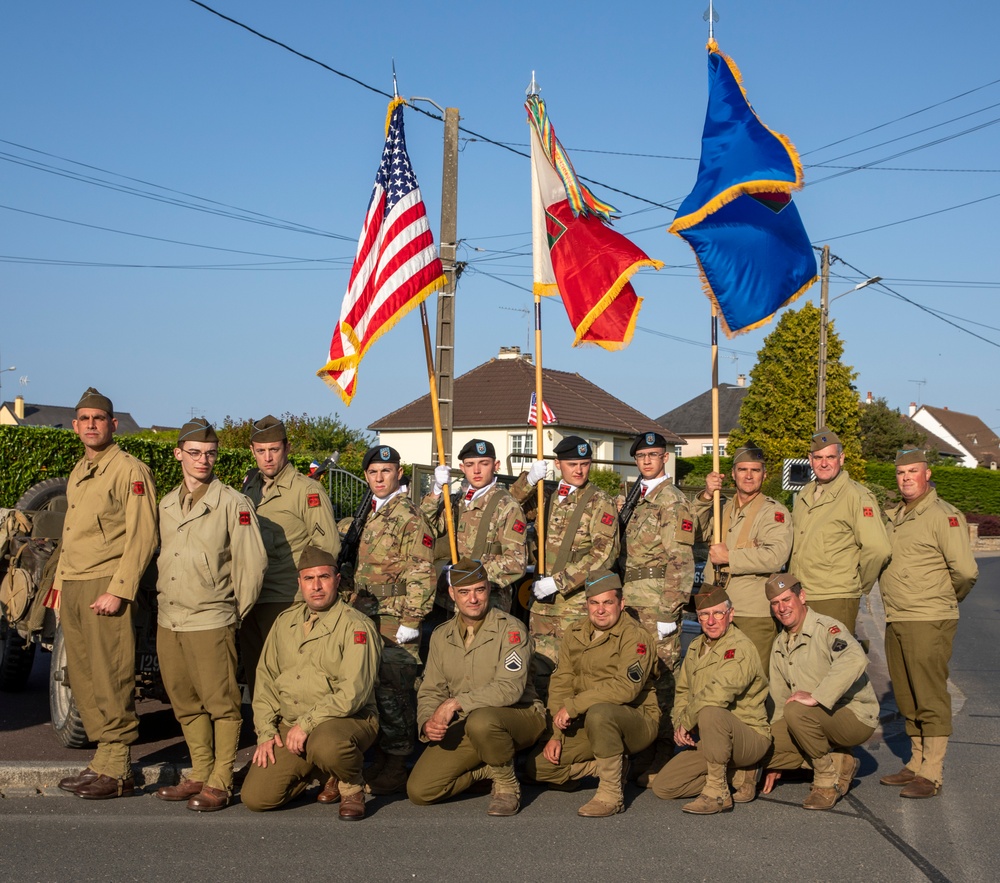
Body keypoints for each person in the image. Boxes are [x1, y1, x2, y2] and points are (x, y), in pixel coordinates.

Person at [153, 418, 267, 812]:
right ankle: (200, 770)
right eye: (196, 453)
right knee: (183, 701)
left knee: (221, 703)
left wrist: (233, 613)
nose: (203, 460)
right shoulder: (166, 504)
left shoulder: (232, 503)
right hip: (170, 618)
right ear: (178, 454)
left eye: (210, 454)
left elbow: (252, 566)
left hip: (211, 619)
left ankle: (221, 778)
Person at [56, 387, 158, 800]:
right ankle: (102, 759)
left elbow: (143, 535)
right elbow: (70, 534)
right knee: (83, 676)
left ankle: (118, 768)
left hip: (105, 583)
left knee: (111, 675)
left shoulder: (129, 470)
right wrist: (60, 586)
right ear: (76, 425)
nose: (91, 425)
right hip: (76, 584)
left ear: (113, 424)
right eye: (84, 418)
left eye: (99, 418)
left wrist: (119, 590)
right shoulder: (81, 469)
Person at [241, 545, 381, 820]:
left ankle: (350, 786)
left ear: (337, 580)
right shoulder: (285, 622)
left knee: (326, 745)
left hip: (346, 719)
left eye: (324, 577)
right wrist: (266, 732)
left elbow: (353, 693)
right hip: (292, 723)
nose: (316, 586)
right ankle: (319, 770)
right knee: (256, 798)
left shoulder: (356, 626)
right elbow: (266, 679)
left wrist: (305, 725)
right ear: (300, 583)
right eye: (309, 579)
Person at [407, 558, 545, 816]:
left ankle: (506, 785)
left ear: (488, 590)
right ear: (452, 594)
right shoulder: (441, 635)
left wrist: (454, 704)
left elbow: (509, 689)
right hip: (469, 723)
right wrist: (428, 722)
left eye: (479, 590)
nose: (473, 599)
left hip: (519, 716)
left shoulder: (511, 630)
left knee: (483, 721)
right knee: (421, 791)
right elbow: (431, 689)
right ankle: (490, 767)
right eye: (464, 592)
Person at [878, 449, 978, 798]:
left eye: (913, 471)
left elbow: (965, 572)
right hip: (898, 616)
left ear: (927, 473)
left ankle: (932, 773)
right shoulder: (896, 516)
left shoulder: (943, 516)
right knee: (907, 694)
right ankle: (916, 762)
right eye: (901, 472)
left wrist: (943, 599)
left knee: (930, 694)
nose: (906, 478)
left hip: (928, 617)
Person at [525, 571, 659, 817]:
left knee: (600, 712)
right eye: (594, 603)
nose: (600, 610)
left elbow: (626, 687)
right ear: (586, 604)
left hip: (635, 720)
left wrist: (575, 706)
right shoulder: (575, 633)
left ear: (621, 603)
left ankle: (611, 795)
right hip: (589, 721)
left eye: (608, 602)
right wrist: (555, 734)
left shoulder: (635, 637)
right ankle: (607, 767)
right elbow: (561, 683)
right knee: (538, 768)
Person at [351, 444, 435, 795]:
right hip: (370, 614)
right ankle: (385, 758)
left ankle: (398, 763)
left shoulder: (409, 516)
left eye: (386, 471)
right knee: (377, 688)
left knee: (395, 692)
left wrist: (413, 619)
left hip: (396, 616)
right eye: (373, 472)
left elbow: (423, 570)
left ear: (399, 472)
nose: (379, 477)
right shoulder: (374, 512)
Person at [510, 436, 620, 697]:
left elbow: (604, 555)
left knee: (576, 675)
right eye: (572, 464)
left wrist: (558, 582)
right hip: (542, 607)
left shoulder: (599, 501)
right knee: (538, 672)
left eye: (585, 463)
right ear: (558, 464)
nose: (579, 470)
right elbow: (507, 508)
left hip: (576, 605)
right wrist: (528, 481)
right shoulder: (544, 497)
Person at [241, 415, 340, 699]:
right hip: (252, 597)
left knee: (288, 677)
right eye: (261, 451)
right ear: (252, 451)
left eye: (274, 449)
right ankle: (264, 735)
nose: (268, 457)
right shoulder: (249, 487)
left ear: (286, 448)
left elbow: (326, 548)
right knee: (256, 674)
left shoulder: (307, 491)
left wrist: (310, 593)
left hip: (287, 598)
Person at [762, 573, 879, 810]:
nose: (782, 608)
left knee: (796, 710)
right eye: (775, 604)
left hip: (853, 715)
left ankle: (826, 780)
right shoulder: (779, 644)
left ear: (802, 597)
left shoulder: (827, 628)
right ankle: (838, 760)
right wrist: (775, 758)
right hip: (809, 719)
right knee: (761, 748)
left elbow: (854, 658)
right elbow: (778, 698)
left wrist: (817, 696)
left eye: (786, 599)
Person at [652, 584, 770, 814]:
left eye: (718, 613)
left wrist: (688, 721)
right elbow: (683, 692)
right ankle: (738, 774)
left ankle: (718, 793)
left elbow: (718, 693)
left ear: (731, 614)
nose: (711, 621)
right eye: (705, 615)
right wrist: (679, 724)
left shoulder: (740, 648)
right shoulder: (696, 646)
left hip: (748, 737)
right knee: (664, 787)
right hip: (710, 740)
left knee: (711, 710)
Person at [619, 431, 695, 786]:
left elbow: (680, 560)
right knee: (637, 673)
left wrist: (669, 610)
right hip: (633, 599)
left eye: (654, 455)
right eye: (641, 456)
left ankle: (663, 749)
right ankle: (643, 745)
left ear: (665, 457)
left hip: (656, 601)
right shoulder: (638, 496)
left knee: (662, 675)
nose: (647, 461)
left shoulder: (672, 500)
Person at [692, 445, 792, 671]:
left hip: (751, 612)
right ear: (733, 474)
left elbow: (776, 556)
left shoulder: (773, 512)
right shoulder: (722, 507)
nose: (748, 476)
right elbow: (695, 531)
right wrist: (707, 496)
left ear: (764, 475)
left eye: (755, 470)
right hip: (714, 608)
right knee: (711, 672)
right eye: (743, 469)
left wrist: (730, 557)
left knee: (752, 675)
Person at [789, 428, 891, 633]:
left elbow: (879, 549)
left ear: (841, 458)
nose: (824, 463)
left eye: (830, 457)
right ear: (810, 459)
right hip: (802, 595)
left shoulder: (856, 496)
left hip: (834, 598)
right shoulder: (805, 494)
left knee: (834, 662)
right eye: (818, 457)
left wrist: (858, 585)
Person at [422, 438, 528, 613]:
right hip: (454, 600)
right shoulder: (456, 503)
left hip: (488, 601)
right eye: (470, 465)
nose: (476, 470)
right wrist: (435, 492)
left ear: (496, 465)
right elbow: (425, 528)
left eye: (484, 463)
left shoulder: (507, 506)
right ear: (462, 469)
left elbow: (516, 563)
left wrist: (469, 576)